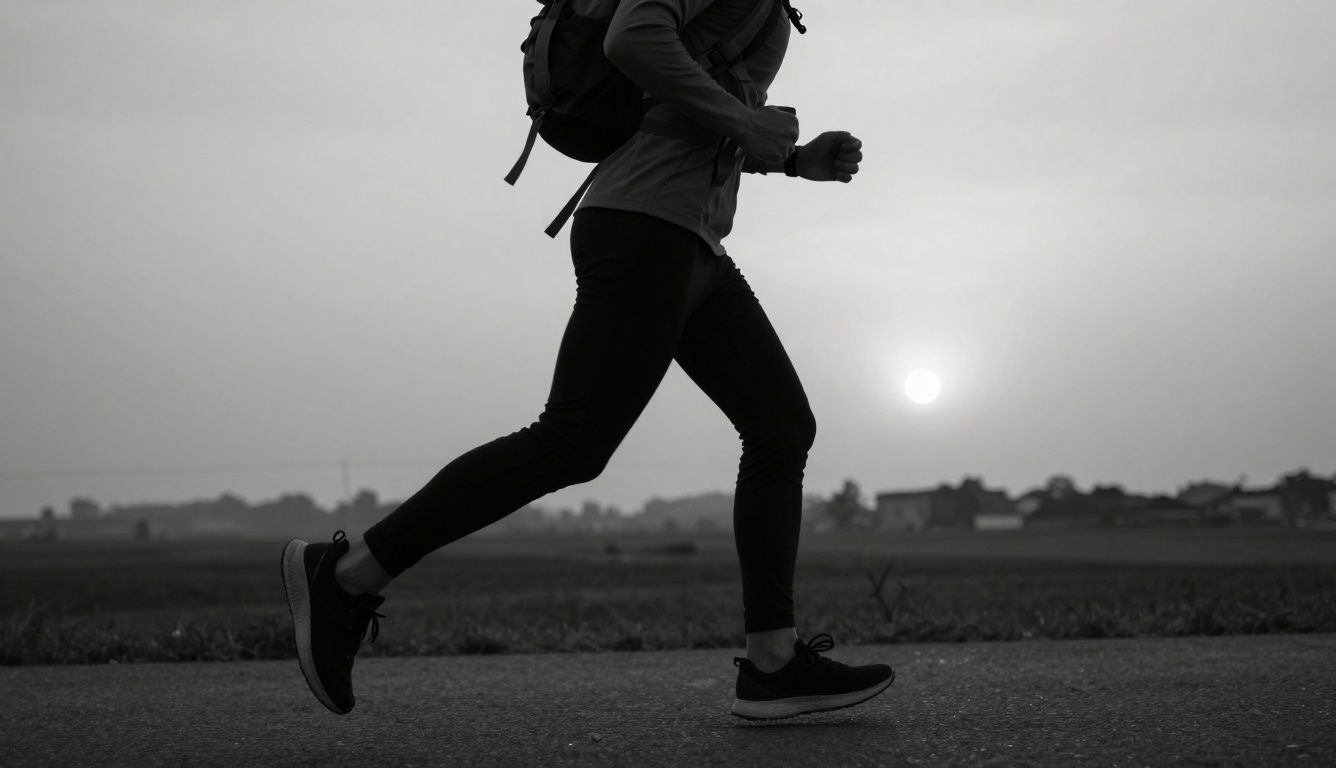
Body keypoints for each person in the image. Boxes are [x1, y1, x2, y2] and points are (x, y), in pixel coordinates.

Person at [281, 0, 893, 721]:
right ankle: (345, 577)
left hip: (691, 239)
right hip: (644, 228)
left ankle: (772, 663)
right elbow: (633, 36)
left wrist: (790, 159)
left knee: (781, 426)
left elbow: (693, 97)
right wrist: (748, 126)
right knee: (571, 441)